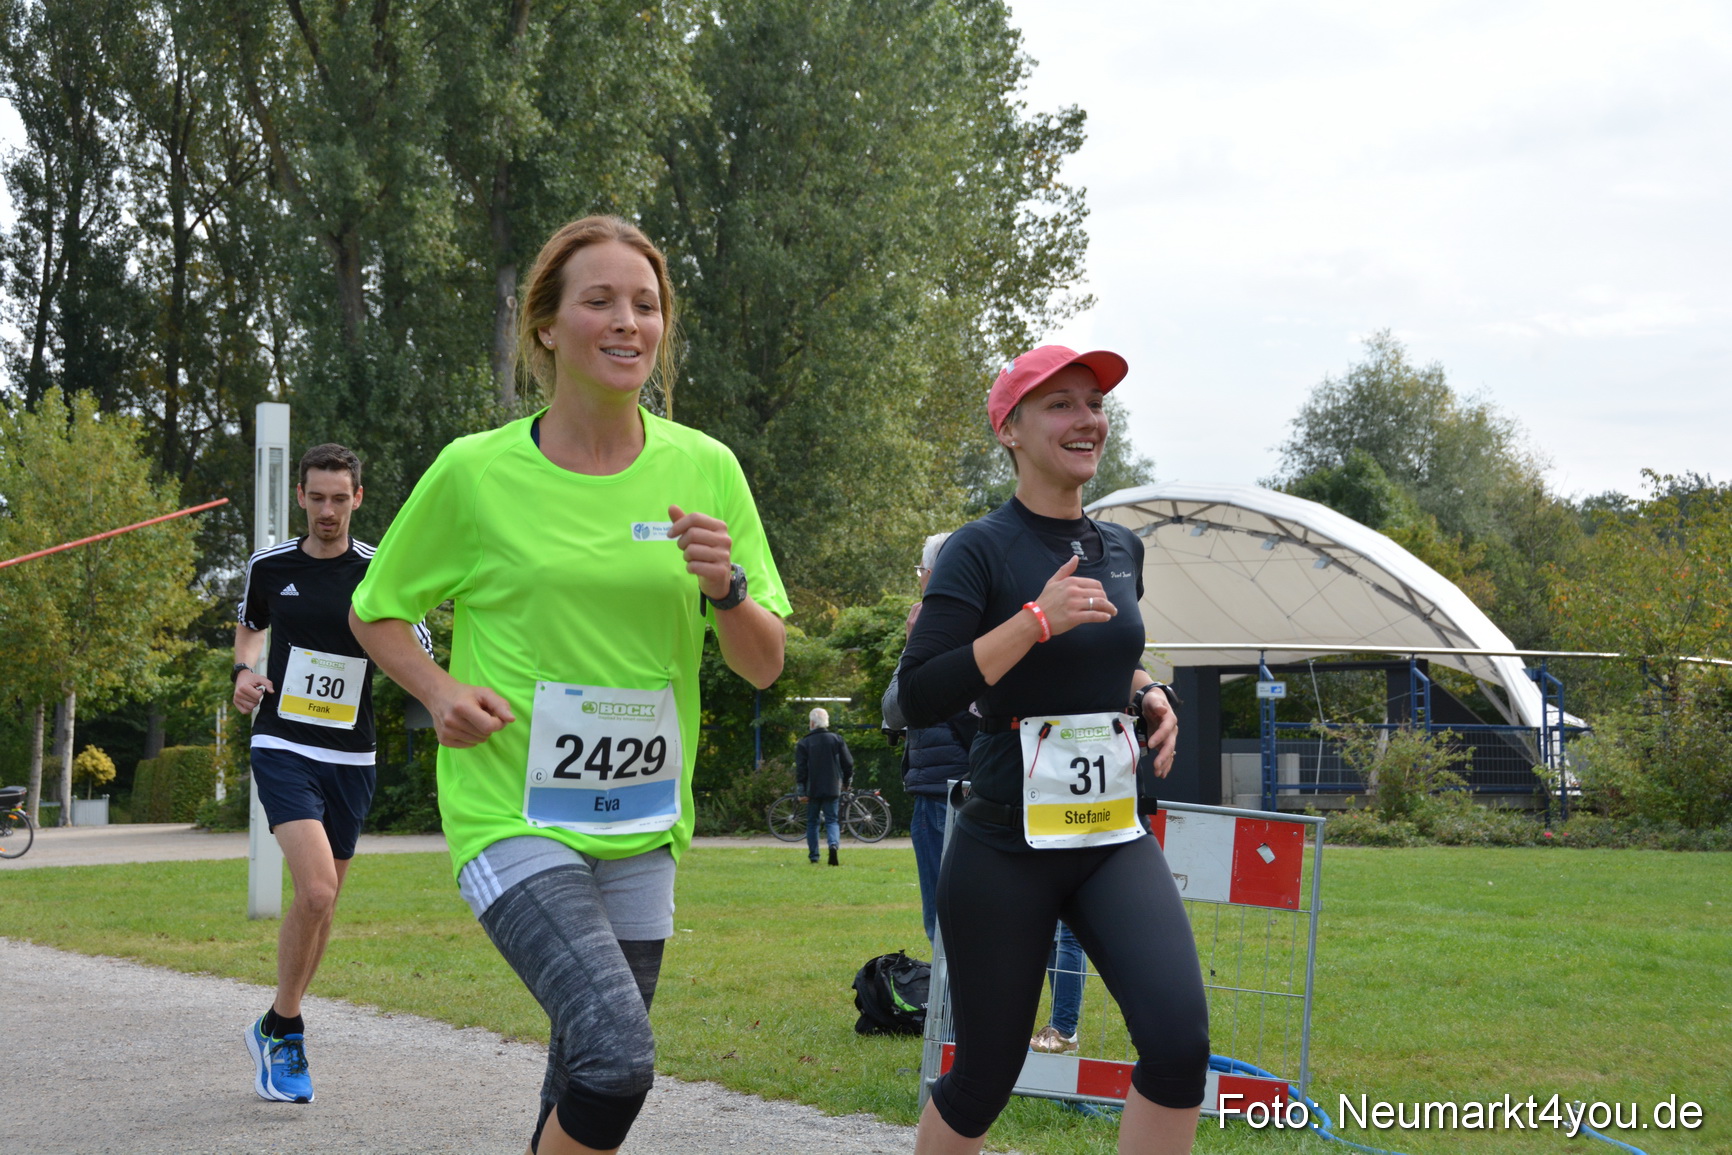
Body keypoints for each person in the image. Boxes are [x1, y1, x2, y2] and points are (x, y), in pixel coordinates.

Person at [348, 215, 787, 1155]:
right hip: (511, 810)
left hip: (642, 820)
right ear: (546, 325)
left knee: (583, 1068)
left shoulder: (705, 468)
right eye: (600, 300)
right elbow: (376, 609)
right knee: (619, 1056)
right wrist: (435, 690)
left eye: (646, 303)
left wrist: (727, 585)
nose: (628, 321)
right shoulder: (475, 473)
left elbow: (762, 661)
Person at [896, 344, 1205, 1155]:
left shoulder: (1122, 547)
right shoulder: (978, 549)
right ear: (1010, 428)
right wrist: (1033, 619)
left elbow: (1099, 654)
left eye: (1094, 403)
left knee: (1178, 1047)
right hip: (1005, 840)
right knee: (986, 1075)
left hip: (1110, 835)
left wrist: (1146, 691)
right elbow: (919, 693)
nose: (1087, 419)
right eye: (1061, 403)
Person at [233, 443, 433, 1104]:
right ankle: (286, 1027)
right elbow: (250, 629)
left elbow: (415, 643)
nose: (326, 510)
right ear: (300, 496)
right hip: (283, 744)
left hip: (353, 754)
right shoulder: (271, 566)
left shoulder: (380, 570)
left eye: (338, 498)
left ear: (358, 498)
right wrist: (244, 673)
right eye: (316, 497)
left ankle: (274, 1020)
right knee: (315, 891)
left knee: (325, 904)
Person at [880, 531, 976, 943]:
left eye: (921, 570)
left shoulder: (934, 628)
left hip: (943, 791)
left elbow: (895, 709)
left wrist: (912, 644)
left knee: (944, 923)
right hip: (995, 784)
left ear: (935, 574)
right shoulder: (1002, 619)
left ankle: (950, 1010)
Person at [795, 707, 854, 865]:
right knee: (832, 820)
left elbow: (801, 769)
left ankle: (814, 856)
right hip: (832, 786)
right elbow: (848, 763)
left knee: (812, 822)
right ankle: (833, 845)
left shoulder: (804, 742)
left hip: (812, 788)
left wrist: (801, 791)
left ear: (812, 723)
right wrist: (846, 782)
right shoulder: (836, 739)